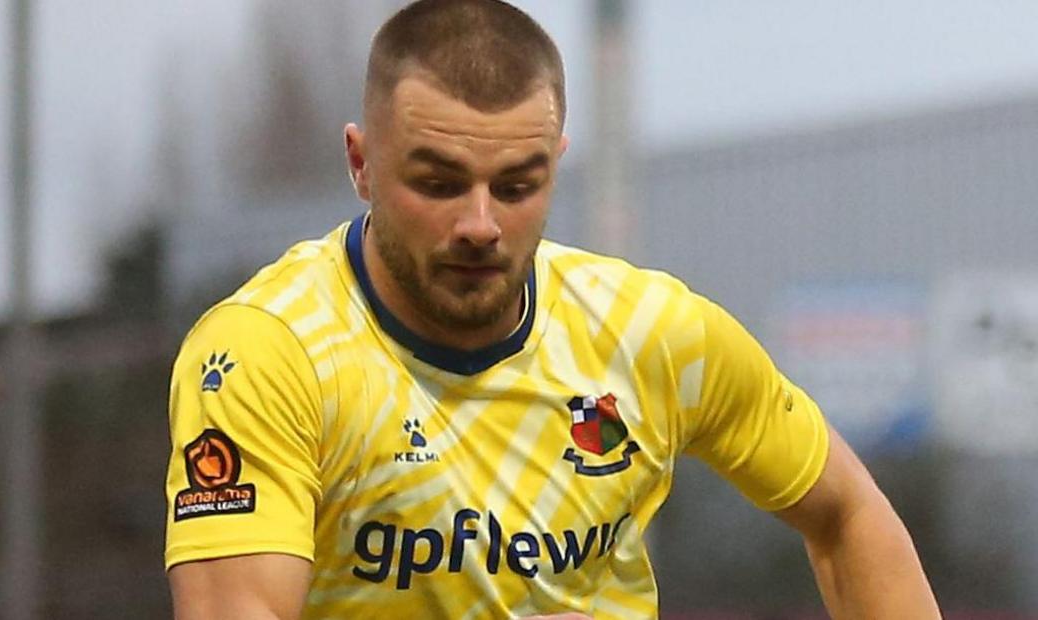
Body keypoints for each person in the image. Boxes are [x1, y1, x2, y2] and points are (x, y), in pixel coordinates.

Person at [164, 1, 941, 618]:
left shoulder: (653, 335)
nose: (480, 223)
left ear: (556, 163)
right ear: (361, 163)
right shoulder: (268, 354)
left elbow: (847, 516)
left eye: (516, 185)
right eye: (437, 183)